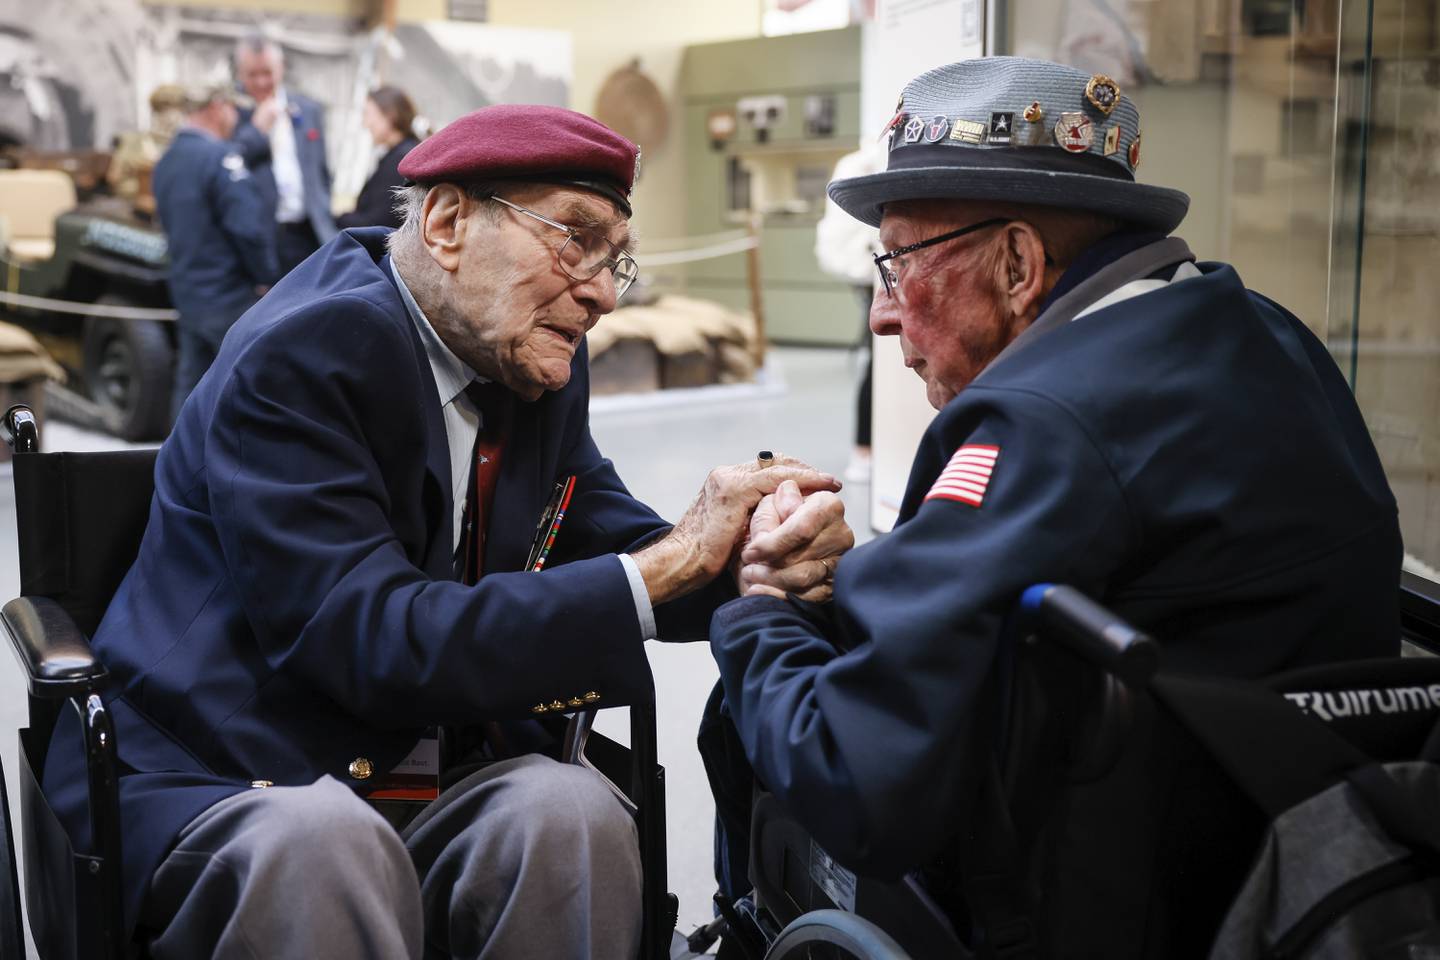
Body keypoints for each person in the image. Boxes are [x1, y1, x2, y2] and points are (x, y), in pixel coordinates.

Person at [43, 103, 851, 960]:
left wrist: (753, 559)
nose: (605, 293)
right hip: (232, 773)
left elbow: (596, 528)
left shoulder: (525, 357)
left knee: (570, 813)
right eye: (574, 238)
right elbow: (365, 637)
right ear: (448, 220)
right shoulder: (310, 351)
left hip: (419, 771)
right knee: (323, 845)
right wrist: (672, 565)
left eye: (617, 259)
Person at [708, 56, 1402, 952]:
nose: (883, 316)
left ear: (1018, 264)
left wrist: (759, 607)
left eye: (899, 264)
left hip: (1100, 901)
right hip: (1290, 868)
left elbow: (857, 776)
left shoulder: (1040, 421)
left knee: (745, 714)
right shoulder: (1265, 331)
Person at [151, 84, 278, 420]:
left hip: (188, 290)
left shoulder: (167, 161)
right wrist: (266, 276)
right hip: (230, 294)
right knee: (254, 384)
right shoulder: (220, 157)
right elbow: (248, 228)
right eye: (233, 110)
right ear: (217, 107)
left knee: (191, 384)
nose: (236, 118)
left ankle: (177, 465)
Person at [232, 35, 336, 274]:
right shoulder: (230, 111)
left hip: (308, 231)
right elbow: (228, 162)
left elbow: (320, 169)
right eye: (252, 74)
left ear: (281, 69)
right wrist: (256, 131)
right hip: (261, 236)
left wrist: (323, 209)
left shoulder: (308, 109)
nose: (260, 82)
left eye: (267, 72)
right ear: (239, 73)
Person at [336, 86, 421, 230]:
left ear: (390, 115)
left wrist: (338, 218)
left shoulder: (401, 160)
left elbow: (377, 221)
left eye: (368, 114)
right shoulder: (402, 153)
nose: (365, 123)